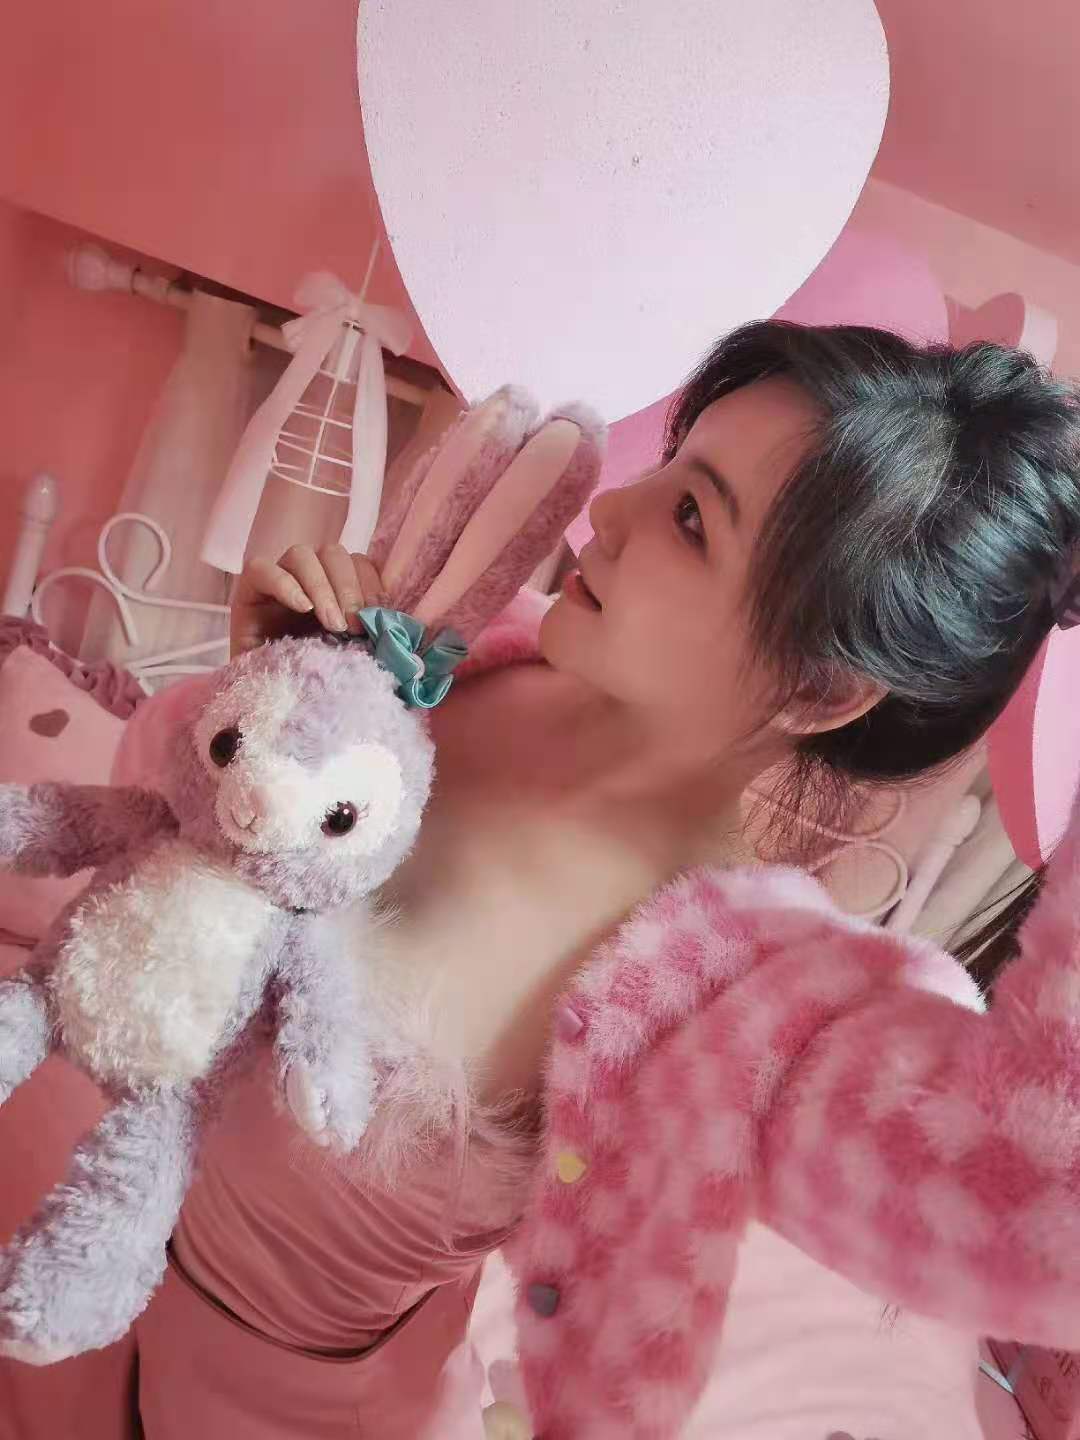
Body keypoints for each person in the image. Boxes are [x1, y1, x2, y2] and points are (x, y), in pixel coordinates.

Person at [2, 321, 1078, 1438]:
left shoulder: (739, 1009)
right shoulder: (460, 652)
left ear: (819, 688)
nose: (610, 509)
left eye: (693, 519)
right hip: (95, 1204)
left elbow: (1036, 1200)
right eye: (669, 465)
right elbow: (159, 850)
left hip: (281, 1401)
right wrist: (265, 696)